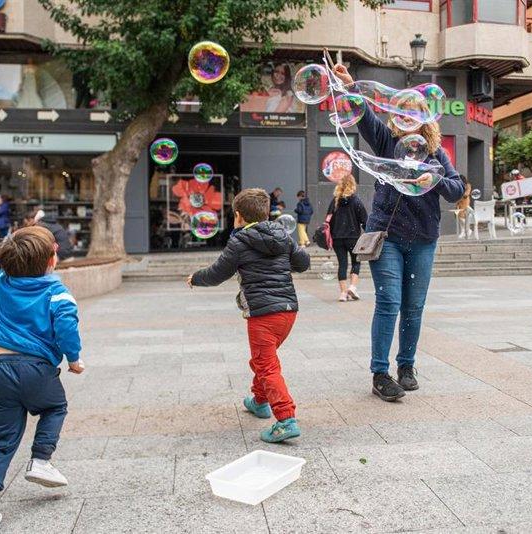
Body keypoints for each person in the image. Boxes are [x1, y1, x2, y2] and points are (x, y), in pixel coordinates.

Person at [333, 63, 464, 402]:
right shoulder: (386, 141)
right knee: (389, 302)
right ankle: (380, 372)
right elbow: (364, 117)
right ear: (397, 115)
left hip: (423, 239)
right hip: (387, 237)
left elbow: (456, 188)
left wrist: (433, 179)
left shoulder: (436, 154)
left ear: (425, 117)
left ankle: (406, 366)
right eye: (403, 109)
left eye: (415, 110)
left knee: (414, 307)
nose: (408, 114)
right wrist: (349, 87)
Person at [0, 226, 85, 529]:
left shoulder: (2, 281)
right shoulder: (57, 292)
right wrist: (75, 359)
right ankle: (41, 460)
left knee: (0, 441)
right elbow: (67, 328)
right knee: (55, 407)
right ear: (51, 262)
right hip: (37, 370)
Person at [187, 188, 310, 443]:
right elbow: (302, 263)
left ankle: (286, 418)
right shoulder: (283, 236)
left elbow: (217, 273)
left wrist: (195, 278)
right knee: (263, 359)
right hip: (288, 312)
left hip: (262, 315)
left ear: (239, 216)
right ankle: (259, 401)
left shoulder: (239, 241)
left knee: (266, 365)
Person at [326, 175, 367, 302]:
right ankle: (353, 287)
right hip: (353, 238)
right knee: (356, 262)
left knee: (342, 264)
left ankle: (343, 293)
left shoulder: (335, 201)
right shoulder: (356, 201)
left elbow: (328, 220)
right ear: (352, 185)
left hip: (337, 238)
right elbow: (365, 221)